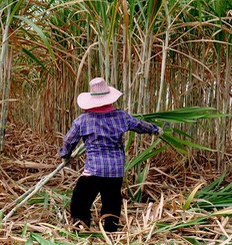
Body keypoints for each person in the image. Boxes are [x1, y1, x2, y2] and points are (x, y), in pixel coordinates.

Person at [59, 77, 161, 232]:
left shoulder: (83, 120)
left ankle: (80, 226)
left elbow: (69, 140)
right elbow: (140, 125)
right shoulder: (121, 116)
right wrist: (156, 129)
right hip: (115, 170)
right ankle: (110, 230)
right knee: (112, 200)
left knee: (80, 199)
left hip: (94, 170)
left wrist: (65, 154)